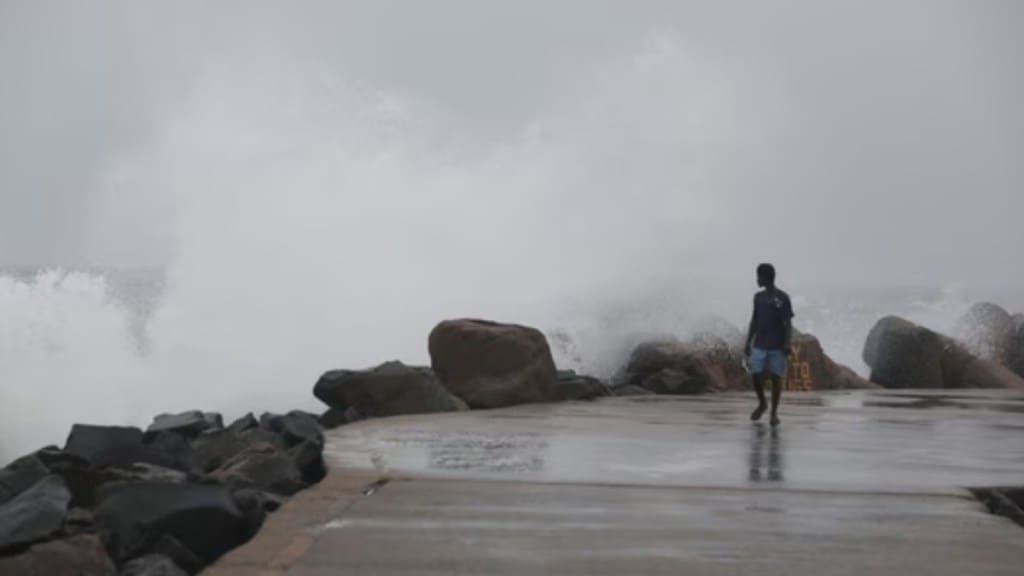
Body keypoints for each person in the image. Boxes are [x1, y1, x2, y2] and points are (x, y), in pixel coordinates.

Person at [744, 263, 794, 427]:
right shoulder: (757, 297)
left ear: (766, 278)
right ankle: (762, 403)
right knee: (755, 373)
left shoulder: (783, 298)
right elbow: (754, 320)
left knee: (775, 378)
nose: (757, 280)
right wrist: (748, 341)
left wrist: (787, 343)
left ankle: (774, 412)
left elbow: (787, 323)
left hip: (777, 345)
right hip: (759, 344)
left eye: (758, 276)